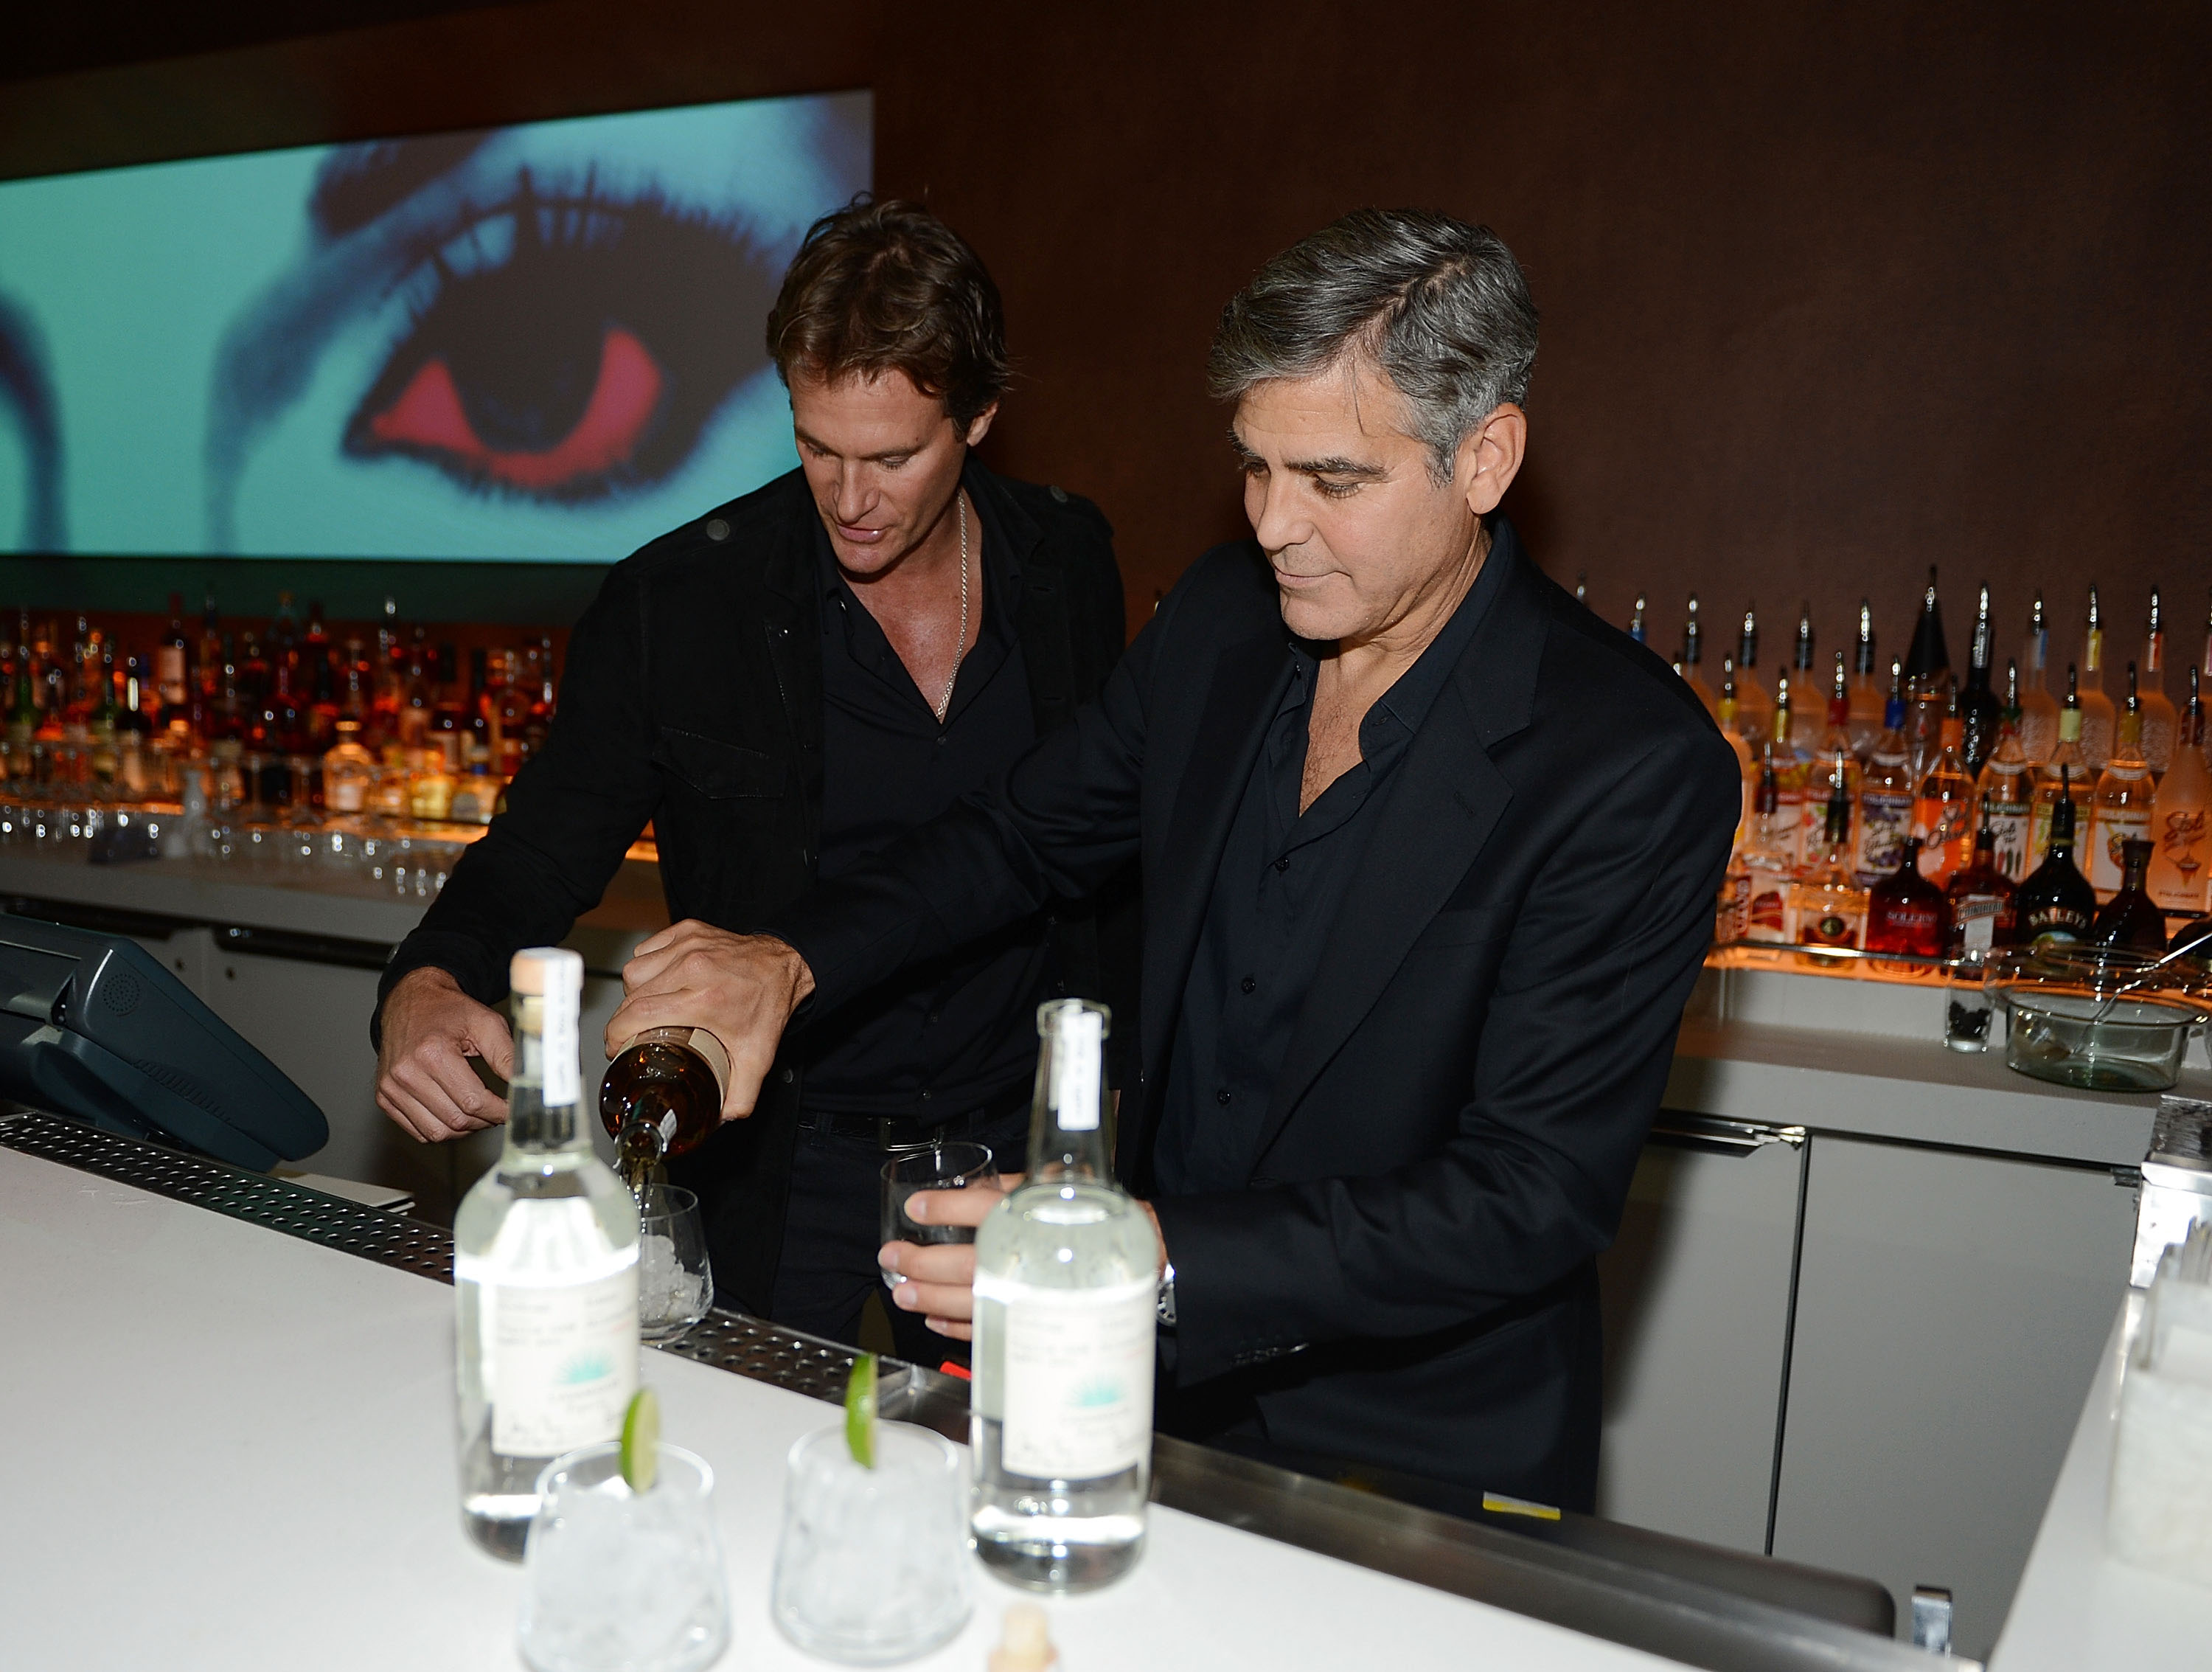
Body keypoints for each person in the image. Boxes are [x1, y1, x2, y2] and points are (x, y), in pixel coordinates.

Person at [605, 209, 1739, 1513]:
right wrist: (788, 961)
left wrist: (1145, 1253)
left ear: (1484, 458)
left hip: (1418, 1453)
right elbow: (1019, 835)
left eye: (1333, 480)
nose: (1272, 525)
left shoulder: (1630, 761)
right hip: (1145, 1400)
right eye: (1254, 467)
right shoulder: (1222, 627)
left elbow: (1527, 1194)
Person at [372, 198, 1135, 1364]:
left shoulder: (1069, 557)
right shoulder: (678, 605)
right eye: (816, 446)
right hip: (785, 1157)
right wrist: (427, 980)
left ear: (979, 416)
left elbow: (1096, 843)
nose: (850, 499)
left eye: (892, 457)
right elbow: (536, 856)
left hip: (1009, 1145)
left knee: (1013, 1462)